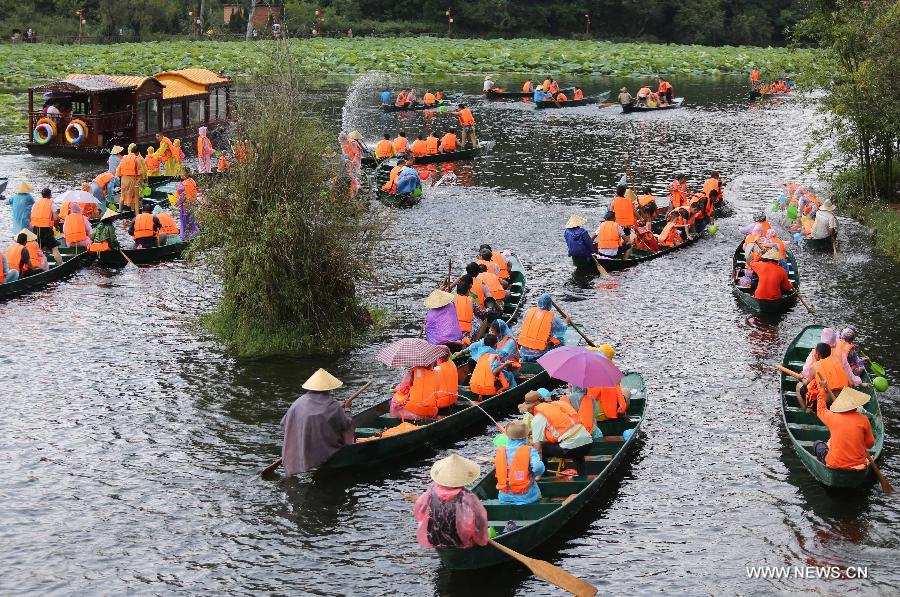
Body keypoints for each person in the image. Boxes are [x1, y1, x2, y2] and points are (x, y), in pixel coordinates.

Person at [280, 368, 354, 475]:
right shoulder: (332, 405)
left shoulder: (298, 402)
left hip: (304, 445)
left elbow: (285, 425)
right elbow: (346, 425)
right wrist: (347, 409)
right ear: (328, 389)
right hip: (323, 451)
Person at [414, 454, 488, 549]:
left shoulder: (430, 491)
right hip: (460, 541)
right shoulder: (468, 496)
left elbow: (419, 513)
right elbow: (480, 521)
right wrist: (481, 539)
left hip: (434, 538)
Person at [518, 391, 593, 477]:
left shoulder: (537, 418)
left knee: (541, 447)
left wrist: (537, 471)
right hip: (588, 444)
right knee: (576, 442)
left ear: (532, 407)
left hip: (571, 449)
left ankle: (542, 476)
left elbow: (538, 449)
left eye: (528, 409)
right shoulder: (557, 406)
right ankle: (582, 475)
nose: (529, 412)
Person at [813, 387, 875, 470]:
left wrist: (822, 390)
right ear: (856, 405)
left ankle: (823, 467)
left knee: (817, 444)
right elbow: (870, 445)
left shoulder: (833, 417)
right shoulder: (864, 419)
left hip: (835, 464)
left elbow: (820, 410)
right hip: (859, 464)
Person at [495, 421, 545, 505]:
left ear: (507, 435)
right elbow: (538, 467)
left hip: (504, 497)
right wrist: (537, 474)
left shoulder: (501, 451)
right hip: (527, 497)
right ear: (526, 436)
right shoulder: (530, 451)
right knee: (535, 488)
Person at [518, 292, 570, 362]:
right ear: (550, 305)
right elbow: (562, 330)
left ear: (538, 302)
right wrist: (566, 322)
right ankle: (559, 359)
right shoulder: (553, 320)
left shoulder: (528, 313)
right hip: (540, 354)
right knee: (560, 340)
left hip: (523, 352)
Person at [30, 188, 63, 266]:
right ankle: (60, 264)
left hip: (35, 228)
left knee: (39, 248)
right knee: (54, 248)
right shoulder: (51, 203)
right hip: (46, 229)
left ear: (42, 195)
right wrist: (56, 225)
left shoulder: (36, 203)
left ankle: (39, 265)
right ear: (50, 195)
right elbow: (56, 218)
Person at [116, 143, 146, 213]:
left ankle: (120, 210)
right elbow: (140, 172)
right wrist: (141, 181)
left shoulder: (124, 157)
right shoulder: (137, 159)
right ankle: (133, 211)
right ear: (137, 152)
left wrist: (120, 178)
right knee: (133, 196)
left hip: (123, 179)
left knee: (122, 194)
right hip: (132, 179)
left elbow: (118, 170)